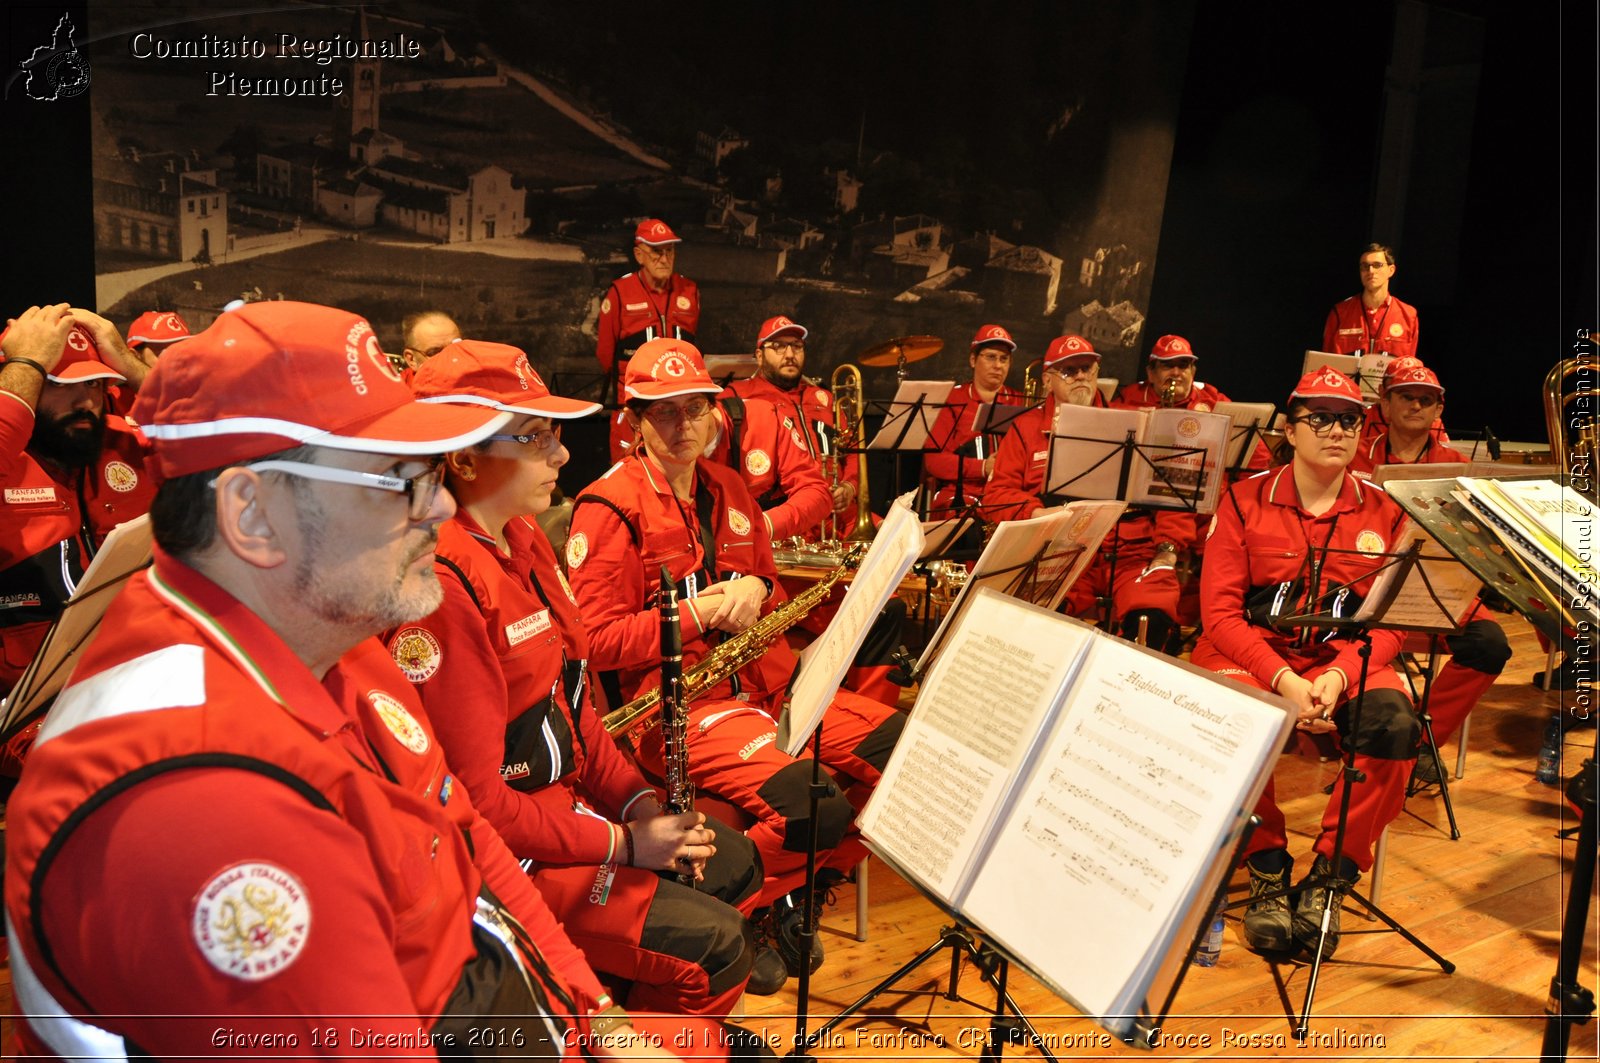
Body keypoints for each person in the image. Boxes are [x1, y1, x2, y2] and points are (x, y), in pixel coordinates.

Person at [3, 301, 761, 1060]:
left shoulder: (331, 634)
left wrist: (601, 1016)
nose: (438, 503)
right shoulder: (208, 801)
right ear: (253, 515)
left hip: (491, 990)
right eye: (396, 477)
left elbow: (464, 832)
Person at [392, 339, 786, 1007]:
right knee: (720, 946)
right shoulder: (444, 586)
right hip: (514, 861)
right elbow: (481, 808)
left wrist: (639, 802)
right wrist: (625, 841)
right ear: (462, 458)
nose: (563, 454)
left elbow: (575, 709)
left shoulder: (525, 540)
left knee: (736, 861)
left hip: (569, 816)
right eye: (538, 438)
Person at [567, 338, 905, 980]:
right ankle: (738, 903)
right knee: (816, 807)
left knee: (902, 760)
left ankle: (786, 897)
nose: (685, 424)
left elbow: (772, 584)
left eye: (697, 408)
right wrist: (695, 614)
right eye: (665, 411)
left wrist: (758, 589)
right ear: (633, 420)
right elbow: (596, 642)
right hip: (681, 709)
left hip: (768, 685)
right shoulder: (605, 508)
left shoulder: (728, 487)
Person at [1192, 366, 1419, 957]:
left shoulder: (1386, 510)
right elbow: (1219, 616)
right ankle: (1266, 864)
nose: (1335, 430)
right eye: (1318, 418)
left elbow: (1392, 620)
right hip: (1255, 655)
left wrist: (1339, 675)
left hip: (1344, 659)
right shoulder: (1243, 500)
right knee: (1230, 718)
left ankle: (1330, 879)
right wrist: (1285, 680)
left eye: (1348, 419)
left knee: (1395, 727)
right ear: (1291, 431)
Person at [1347, 363, 1511, 782]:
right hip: (1360, 589)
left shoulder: (1457, 465)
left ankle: (1419, 741)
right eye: (1406, 395)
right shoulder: (1352, 454)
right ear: (1384, 403)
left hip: (1433, 592)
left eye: (1427, 398)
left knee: (1490, 644)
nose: (1417, 404)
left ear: (1439, 407)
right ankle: (1362, 733)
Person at [984, 334, 1192, 651]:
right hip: (1060, 547)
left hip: (1129, 551)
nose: (1081, 376)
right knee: (1033, 630)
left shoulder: (1137, 421)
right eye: (1069, 371)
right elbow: (997, 495)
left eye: (1087, 368)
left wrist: (1168, 549)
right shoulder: (1026, 429)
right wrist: (1038, 513)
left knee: (1154, 616)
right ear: (1048, 379)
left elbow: (1170, 492)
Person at [0, 305, 153, 700]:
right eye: (60, 384)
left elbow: (240, 451)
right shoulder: (8, 467)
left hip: (141, 684)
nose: (84, 401)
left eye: (94, 384)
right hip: (27, 717)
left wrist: (134, 368)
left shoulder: (128, 445)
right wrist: (27, 361)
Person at [724, 316, 861, 536]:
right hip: (783, 514)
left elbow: (853, 451)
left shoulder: (824, 397)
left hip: (839, 515)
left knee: (899, 541)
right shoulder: (736, 396)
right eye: (778, 346)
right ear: (759, 356)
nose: (789, 355)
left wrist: (849, 487)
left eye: (796, 346)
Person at [598, 220, 701, 461]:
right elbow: (606, 354)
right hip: (635, 405)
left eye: (670, 251)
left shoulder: (690, 291)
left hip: (680, 407)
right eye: (656, 251)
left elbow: (692, 347)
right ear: (639, 255)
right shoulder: (620, 292)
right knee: (629, 472)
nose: (664, 258)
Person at [923, 323, 1025, 519]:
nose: (998, 365)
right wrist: (983, 467)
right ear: (973, 360)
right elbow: (934, 461)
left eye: (1004, 359)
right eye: (991, 357)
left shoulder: (1021, 401)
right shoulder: (951, 400)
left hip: (1009, 494)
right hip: (962, 496)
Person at [1322, 242, 1419, 359]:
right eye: (1365, 266)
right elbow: (1326, 362)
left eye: (1377, 265)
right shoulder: (1340, 312)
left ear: (1391, 270)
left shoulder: (1408, 315)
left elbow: (1409, 367)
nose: (1371, 271)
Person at [397, 310, 461, 383]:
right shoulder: (397, 392)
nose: (449, 359)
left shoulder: (475, 378)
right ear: (411, 360)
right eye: (435, 352)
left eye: (456, 348)